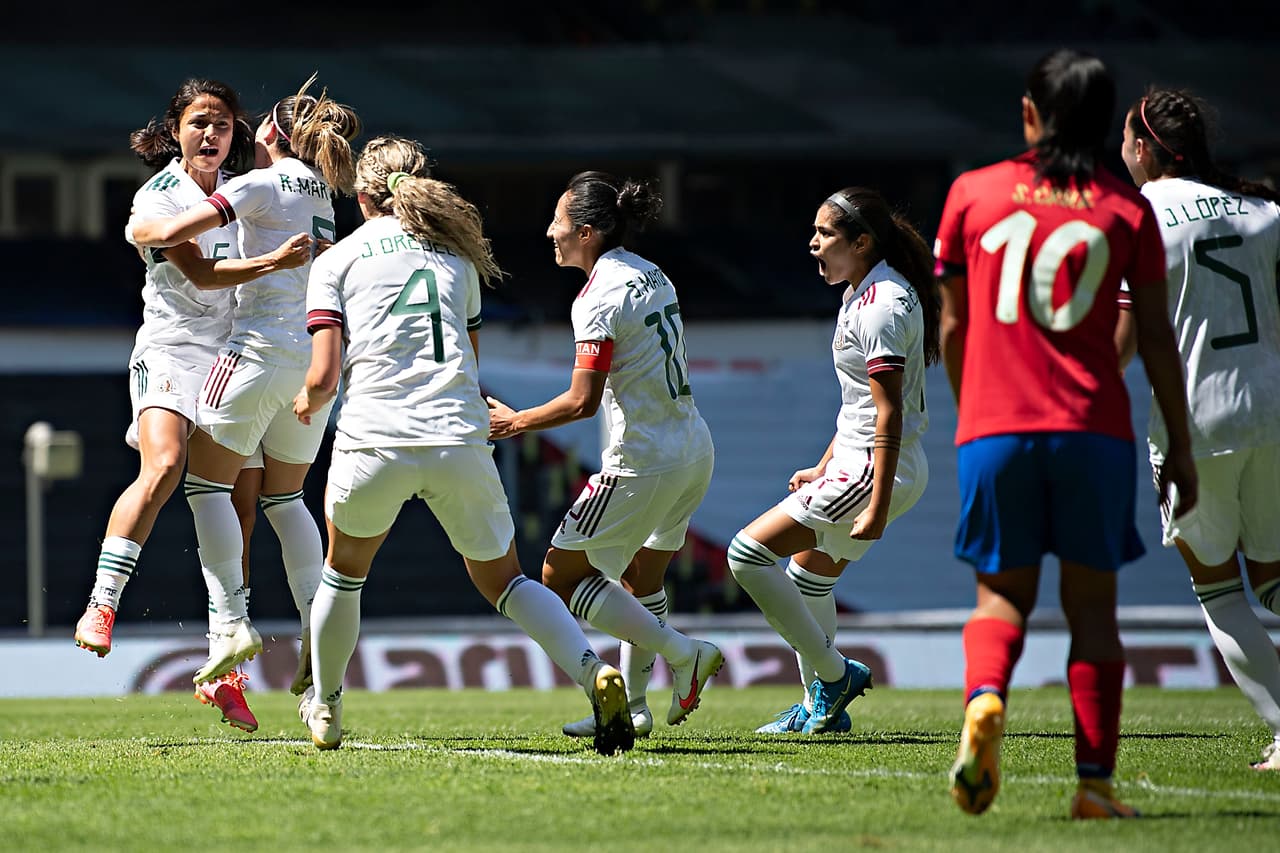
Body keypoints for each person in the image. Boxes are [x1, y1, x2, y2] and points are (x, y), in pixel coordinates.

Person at [291, 136, 634, 756]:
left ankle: (327, 706)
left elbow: (321, 377)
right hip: (458, 437)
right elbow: (469, 368)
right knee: (507, 581)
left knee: (342, 576)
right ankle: (593, 671)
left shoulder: (336, 260)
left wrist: (305, 403)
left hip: (376, 437)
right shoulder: (459, 261)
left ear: (363, 195)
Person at [936, 48, 1198, 820]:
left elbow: (953, 325)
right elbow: (1153, 337)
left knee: (999, 597)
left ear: (1029, 114)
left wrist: (971, 408)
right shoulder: (1126, 210)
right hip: (1093, 430)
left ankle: (986, 699)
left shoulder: (971, 195)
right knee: (1093, 612)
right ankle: (1093, 785)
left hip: (995, 428)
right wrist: (1179, 444)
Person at [74, 78, 313, 732]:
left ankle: (223, 666)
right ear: (176, 130)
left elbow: (289, 178)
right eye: (200, 123)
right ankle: (102, 602)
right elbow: (203, 276)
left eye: (224, 125)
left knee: (243, 499)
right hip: (174, 349)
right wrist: (275, 262)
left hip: (234, 354)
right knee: (164, 467)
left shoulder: (245, 188)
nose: (212, 135)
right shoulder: (159, 197)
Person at [127, 75, 360, 698]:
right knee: (285, 502)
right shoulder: (326, 196)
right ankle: (319, 629)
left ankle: (230, 626)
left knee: (205, 486)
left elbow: (170, 236)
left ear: (269, 135)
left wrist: (140, 228)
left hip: (253, 353)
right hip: (314, 361)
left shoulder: (255, 184)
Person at [487, 171, 722, 738]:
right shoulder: (650, 272)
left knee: (560, 576)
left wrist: (515, 421)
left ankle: (683, 653)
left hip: (642, 461)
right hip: (692, 448)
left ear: (587, 232)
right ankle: (635, 707)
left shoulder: (596, 298)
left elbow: (581, 401)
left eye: (559, 221)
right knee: (643, 582)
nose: (550, 231)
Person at [726, 187, 937, 736]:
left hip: (873, 469)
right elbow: (859, 405)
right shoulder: (863, 293)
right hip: (858, 462)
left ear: (862, 242)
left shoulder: (883, 305)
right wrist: (824, 465)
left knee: (746, 555)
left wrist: (878, 503)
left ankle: (834, 675)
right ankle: (822, 706)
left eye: (825, 234)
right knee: (806, 580)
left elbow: (888, 415)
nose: (813, 243)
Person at [1119, 87, 1280, 772]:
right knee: (1274, 577)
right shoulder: (1265, 210)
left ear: (1145, 148)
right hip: (1272, 410)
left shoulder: (1137, 218)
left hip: (1196, 424)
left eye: (1126, 139)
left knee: (1217, 587)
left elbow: (1121, 342)